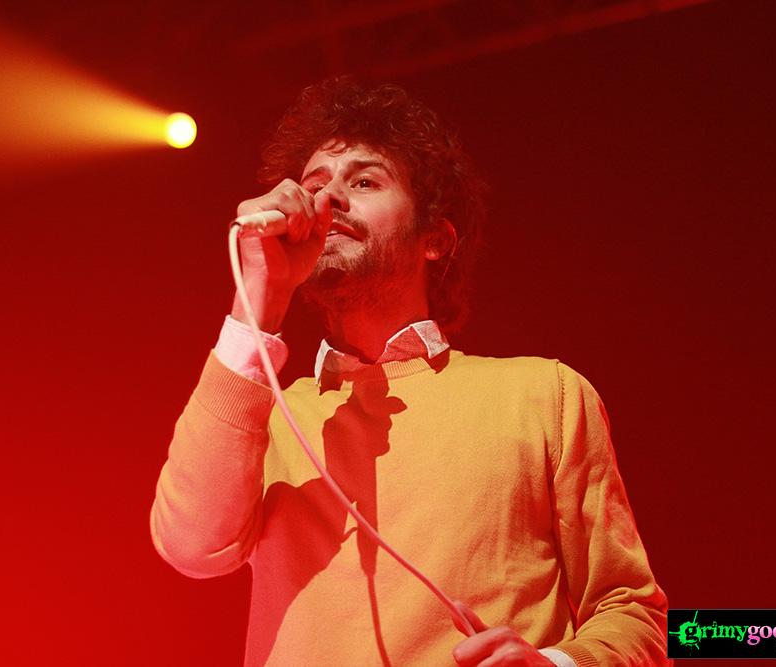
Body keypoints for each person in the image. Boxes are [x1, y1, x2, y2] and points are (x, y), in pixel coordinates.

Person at [151, 77, 669, 666]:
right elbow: (192, 547)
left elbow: (635, 613)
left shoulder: (543, 394)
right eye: (314, 186)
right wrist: (258, 298)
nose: (328, 200)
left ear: (435, 239)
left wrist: (556, 665)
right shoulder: (263, 411)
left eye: (364, 182)